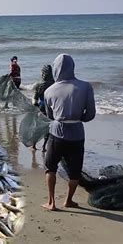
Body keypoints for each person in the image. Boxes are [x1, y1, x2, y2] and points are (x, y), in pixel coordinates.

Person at [41, 54, 96, 211]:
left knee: (50, 167)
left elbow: (49, 116)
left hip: (56, 134)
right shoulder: (86, 86)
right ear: (72, 67)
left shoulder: (49, 91)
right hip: (77, 134)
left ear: (56, 69)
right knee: (75, 172)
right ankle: (68, 200)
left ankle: (51, 202)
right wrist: (79, 118)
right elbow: (90, 114)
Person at [32, 64, 55, 151]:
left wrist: (35, 105)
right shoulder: (55, 84)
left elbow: (35, 99)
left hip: (41, 108)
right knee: (49, 128)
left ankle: (33, 145)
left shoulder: (39, 85)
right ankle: (44, 147)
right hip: (52, 109)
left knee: (38, 127)